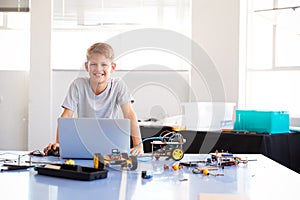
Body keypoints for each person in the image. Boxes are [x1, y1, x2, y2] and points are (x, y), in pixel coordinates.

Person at [44, 42, 143, 155]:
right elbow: (66, 115)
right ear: (87, 66)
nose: (98, 69)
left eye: (104, 65)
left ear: (112, 67)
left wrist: (137, 144)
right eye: (93, 64)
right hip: (84, 143)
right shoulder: (78, 85)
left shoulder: (118, 85)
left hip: (110, 144)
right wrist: (59, 144)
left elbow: (129, 113)